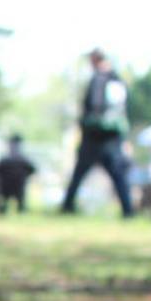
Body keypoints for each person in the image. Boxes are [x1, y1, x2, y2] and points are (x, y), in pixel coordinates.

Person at [60, 48, 134, 217]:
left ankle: (67, 206)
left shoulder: (98, 79)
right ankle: (128, 210)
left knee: (79, 173)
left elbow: (93, 105)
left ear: (95, 60)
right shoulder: (118, 80)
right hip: (114, 137)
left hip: (94, 137)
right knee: (118, 175)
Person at [0, 135, 38, 214]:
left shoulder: (5, 160)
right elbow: (33, 171)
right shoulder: (25, 161)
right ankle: (18, 209)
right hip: (19, 190)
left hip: (3, 189)